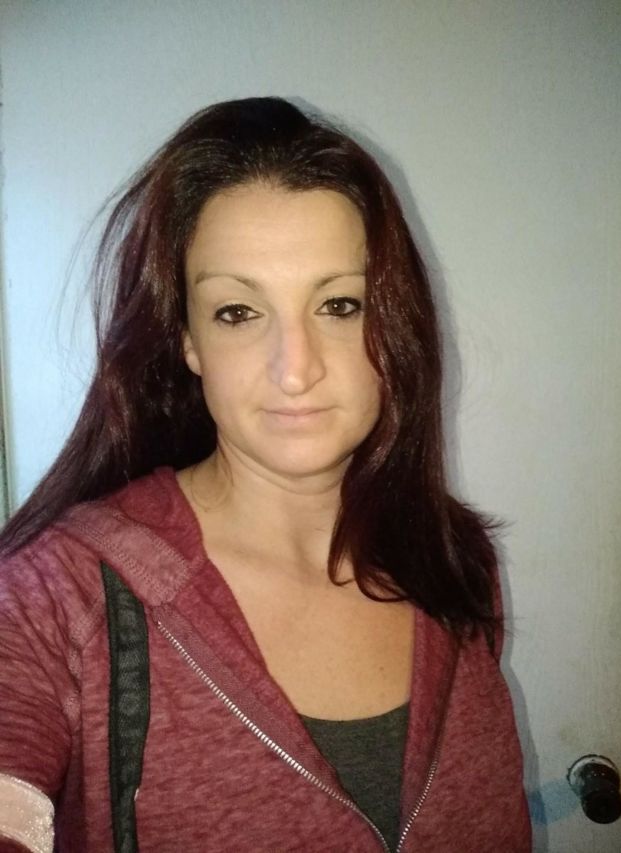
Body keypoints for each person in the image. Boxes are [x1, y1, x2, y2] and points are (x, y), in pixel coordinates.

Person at [0, 96, 531, 852]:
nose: (296, 369)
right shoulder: (52, 597)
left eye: (340, 304)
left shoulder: (455, 560)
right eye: (238, 312)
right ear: (187, 339)